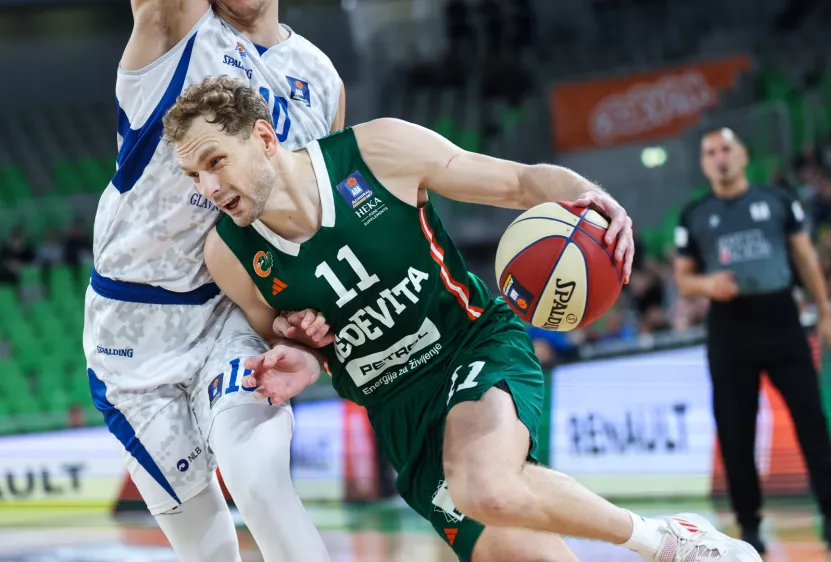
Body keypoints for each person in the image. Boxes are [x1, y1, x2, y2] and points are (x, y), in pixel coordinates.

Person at [162, 75, 764, 562]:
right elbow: (285, 335)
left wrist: (588, 195)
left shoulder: (377, 152)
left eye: (216, 161)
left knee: (486, 484)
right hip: (400, 416)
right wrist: (303, 356)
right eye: (194, 175)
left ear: (264, 138)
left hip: (469, 345)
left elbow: (519, 183)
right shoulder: (230, 254)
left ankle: (669, 544)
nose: (208, 186)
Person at [83, 1, 345, 560]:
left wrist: (307, 323)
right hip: (130, 334)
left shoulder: (322, 79)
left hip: (235, 308)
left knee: (260, 480)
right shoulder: (177, 28)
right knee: (208, 552)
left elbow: (318, 219)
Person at [673, 129, 831, 554]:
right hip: (729, 327)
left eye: (726, 150)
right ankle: (749, 527)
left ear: (743, 155)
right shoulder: (694, 214)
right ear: (704, 163)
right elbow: (683, 279)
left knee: (811, 420)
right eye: (711, 152)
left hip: (781, 319)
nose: (720, 158)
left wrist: (825, 311)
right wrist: (707, 284)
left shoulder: (777, 200)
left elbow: (806, 257)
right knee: (736, 431)